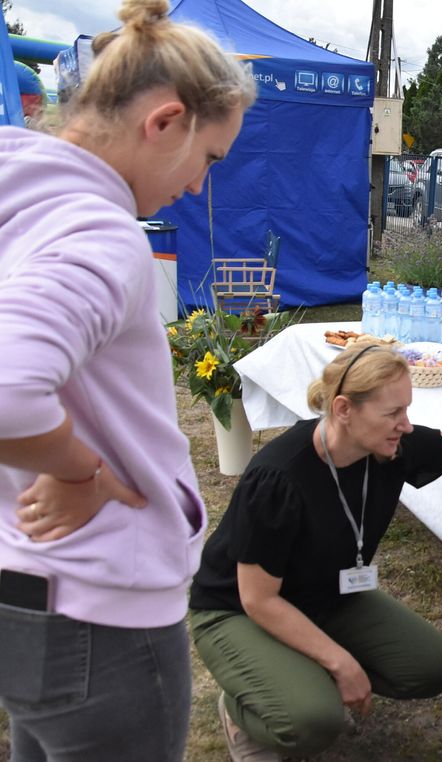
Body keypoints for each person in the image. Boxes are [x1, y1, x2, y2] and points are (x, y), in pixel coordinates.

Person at [0, 1, 255, 758]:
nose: (202, 187)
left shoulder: (18, 190)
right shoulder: (101, 232)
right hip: (104, 618)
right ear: (165, 121)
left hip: (24, 587)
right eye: (210, 158)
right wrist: (84, 472)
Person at [189, 346, 442, 760]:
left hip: (326, 595)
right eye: (392, 413)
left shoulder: (392, 446)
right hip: (236, 609)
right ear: (344, 409)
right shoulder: (279, 477)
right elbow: (257, 598)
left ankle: (294, 671)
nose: (406, 425)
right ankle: (243, 708)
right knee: (313, 719)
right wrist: (341, 663)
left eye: (407, 410)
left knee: (433, 667)